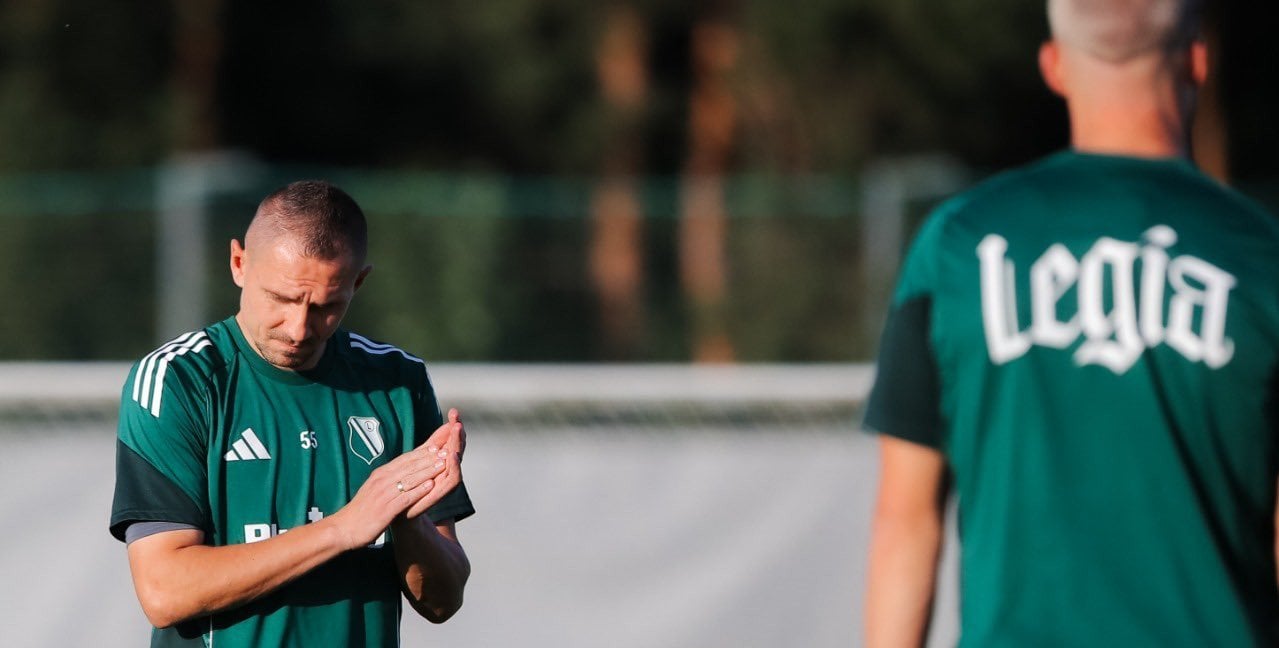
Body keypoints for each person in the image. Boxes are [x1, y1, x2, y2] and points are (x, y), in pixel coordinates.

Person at [862, 0, 1279, 645]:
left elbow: (906, 522)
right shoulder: (1262, 259)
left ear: (1054, 67)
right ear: (1198, 62)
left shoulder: (955, 249)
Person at [110, 180, 474, 647]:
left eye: (327, 306)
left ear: (357, 282)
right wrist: (343, 528)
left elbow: (442, 602)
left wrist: (406, 522)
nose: (300, 328)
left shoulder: (397, 384)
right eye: (281, 299)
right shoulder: (178, 380)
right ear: (239, 264)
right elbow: (165, 590)